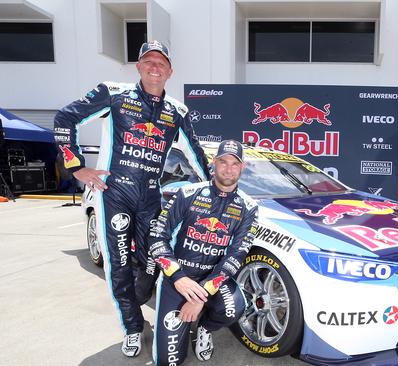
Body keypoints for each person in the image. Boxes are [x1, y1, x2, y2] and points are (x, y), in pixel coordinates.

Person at [53, 40, 211, 357]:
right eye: (148, 62)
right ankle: (133, 328)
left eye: (161, 63)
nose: (155, 67)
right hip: (117, 195)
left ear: (170, 72)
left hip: (152, 195)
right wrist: (76, 167)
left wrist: (216, 191)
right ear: (138, 67)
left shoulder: (177, 111)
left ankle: (138, 302)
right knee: (120, 266)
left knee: (151, 266)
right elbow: (65, 119)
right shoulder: (113, 93)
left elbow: (197, 157)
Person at [148, 140, 258, 365]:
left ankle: (205, 328)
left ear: (242, 168)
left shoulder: (248, 207)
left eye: (234, 164)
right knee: (169, 361)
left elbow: (236, 255)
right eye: (223, 162)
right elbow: (157, 237)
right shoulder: (187, 193)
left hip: (213, 279)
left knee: (232, 309)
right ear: (214, 163)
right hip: (178, 277)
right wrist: (178, 278)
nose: (228, 169)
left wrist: (200, 296)